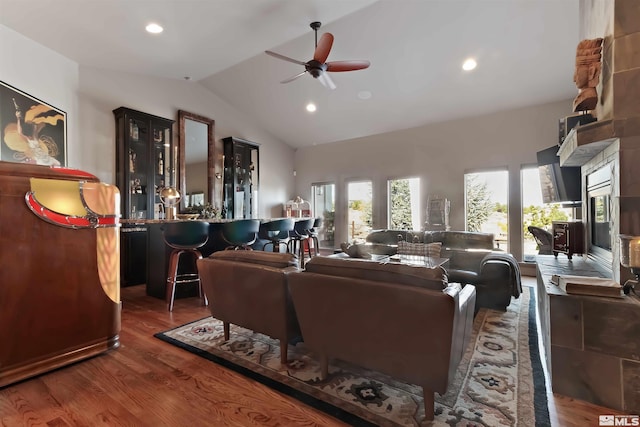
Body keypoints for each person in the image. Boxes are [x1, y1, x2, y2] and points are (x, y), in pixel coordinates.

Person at [2, 98, 63, 166]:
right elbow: (20, 132)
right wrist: (18, 118)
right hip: (40, 159)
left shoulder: (34, 137)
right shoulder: (28, 139)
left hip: (45, 157)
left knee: (58, 164)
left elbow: (31, 130)